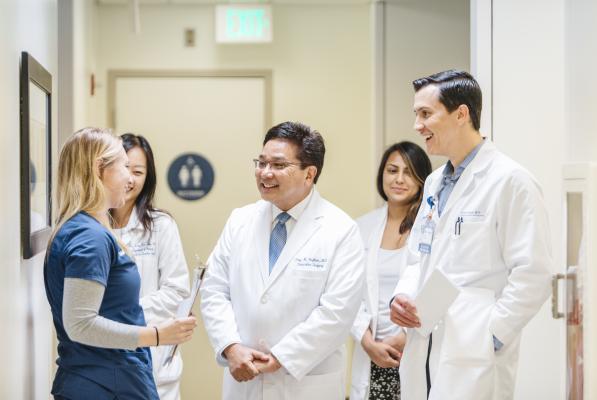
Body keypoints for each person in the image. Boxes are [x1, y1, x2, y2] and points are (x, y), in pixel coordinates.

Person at [389, 70, 552, 400]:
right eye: (416, 115)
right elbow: (417, 257)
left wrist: (490, 336)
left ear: (461, 114)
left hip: (474, 351)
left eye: (425, 114)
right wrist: (402, 297)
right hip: (426, 340)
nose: (417, 126)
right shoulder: (435, 183)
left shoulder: (510, 180)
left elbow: (534, 273)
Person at [200, 121, 365, 400]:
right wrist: (230, 346)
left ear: (309, 174)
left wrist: (283, 356)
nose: (265, 173)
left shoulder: (341, 230)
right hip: (244, 381)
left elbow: (338, 313)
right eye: (261, 162)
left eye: (278, 165)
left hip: (305, 384)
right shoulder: (240, 220)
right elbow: (214, 290)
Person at [44, 127, 197, 400]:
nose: (130, 178)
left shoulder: (84, 228)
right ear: (99, 170)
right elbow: (80, 324)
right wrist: (157, 335)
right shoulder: (89, 237)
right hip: (106, 382)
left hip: (111, 378)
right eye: (125, 167)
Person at [110, 133, 190, 400]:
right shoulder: (91, 225)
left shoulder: (160, 226)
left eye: (139, 171)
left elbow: (177, 290)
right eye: (124, 168)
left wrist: (123, 316)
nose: (130, 179)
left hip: (153, 360)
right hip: (103, 355)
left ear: (148, 177)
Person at [350, 141, 432, 400]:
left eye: (408, 172)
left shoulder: (432, 227)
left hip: (417, 348)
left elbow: (438, 288)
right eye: (392, 170)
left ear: (422, 179)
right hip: (372, 353)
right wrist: (366, 341)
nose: (399, 179)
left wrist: (407, 336)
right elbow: (347, 292)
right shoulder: (361, 228)